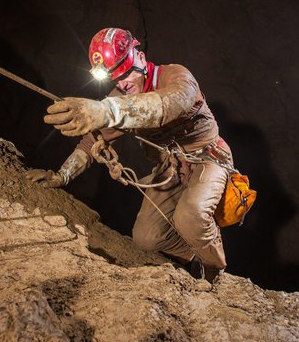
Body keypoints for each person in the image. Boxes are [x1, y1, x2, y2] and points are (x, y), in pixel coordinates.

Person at [26, 27, 232, 283]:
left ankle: (215, 272)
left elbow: (163, 106)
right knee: (146, 238)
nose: (122, 82)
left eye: (125, 72)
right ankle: (193, 253)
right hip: (171, 168)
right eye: (115, 78)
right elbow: (93, 140)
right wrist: (62, 175)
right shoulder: (121, 97)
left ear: (141, 59)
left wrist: (106, 110)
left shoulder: (177, 77)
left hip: (208, 158)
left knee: (190, 216)